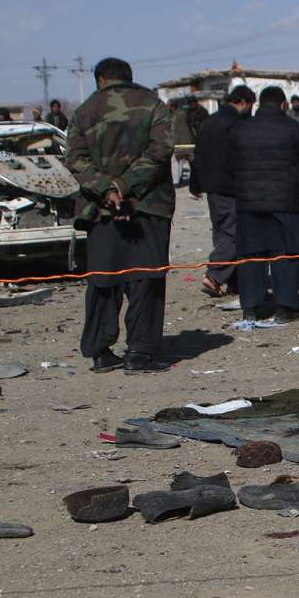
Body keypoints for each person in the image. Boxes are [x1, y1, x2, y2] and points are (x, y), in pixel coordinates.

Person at [66, 57, 176, 374]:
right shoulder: (154, 106)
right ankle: (139, 353)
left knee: (104, 281)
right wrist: (125, 185)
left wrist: (107, 189)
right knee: (146, 279)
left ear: (100, 79)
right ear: (128, 78)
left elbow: (74, 157)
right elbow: (160, 152)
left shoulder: (85, 110)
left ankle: (100, 351)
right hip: (148, 207)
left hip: (100, 211)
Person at [229, 86, 299, 324]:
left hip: (248, 203)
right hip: (284, 202)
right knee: (285, 255)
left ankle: (250, 307)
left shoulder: (241, 129)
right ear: (283, 104)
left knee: (250, 256)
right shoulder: (293, 128)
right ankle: (284, 308)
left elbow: (230, 164)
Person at [190, 85, 254, 298]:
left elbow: (197, 156)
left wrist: (195, 184)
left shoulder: (208, 122)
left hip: (212, 188)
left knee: (221, 232)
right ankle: (215, 276)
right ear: (243, 102)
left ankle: (233, 282)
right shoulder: (236, 124)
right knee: (233, 234)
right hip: (231, 187)